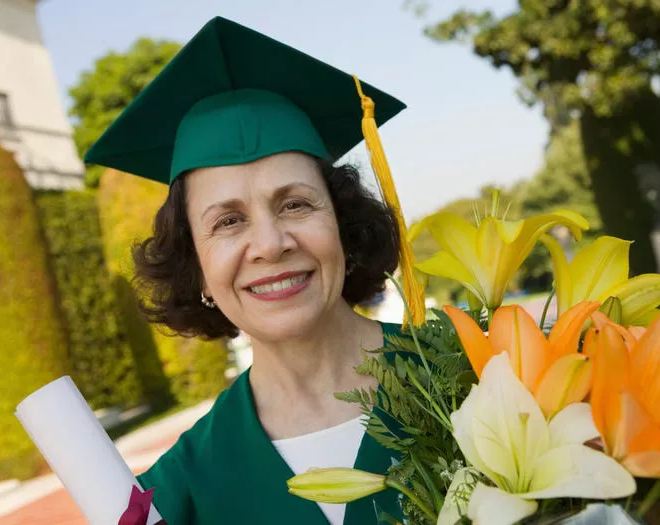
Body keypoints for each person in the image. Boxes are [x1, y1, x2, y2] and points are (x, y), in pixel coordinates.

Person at [85, 16, 424, 525]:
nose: (269, 244)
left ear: (344, 227)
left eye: (295, 205)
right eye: (228, 221)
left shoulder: (484, 372)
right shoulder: (176, 495)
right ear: (196, 269)